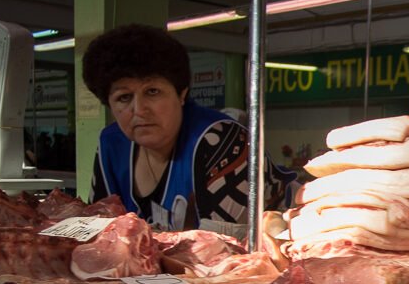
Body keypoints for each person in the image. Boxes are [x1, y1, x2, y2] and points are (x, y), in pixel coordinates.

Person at [82, 24, 295, 237]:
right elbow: (97, 235)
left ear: (181, 94)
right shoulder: (111, 144)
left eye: (152, 92)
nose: (139, 110)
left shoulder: (222, 142)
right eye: (123, 97)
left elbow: (225, 252)